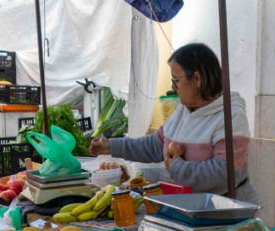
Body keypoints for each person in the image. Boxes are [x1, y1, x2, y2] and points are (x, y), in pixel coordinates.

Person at [90, 43, 257, 204]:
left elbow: (224, 174)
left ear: (197, 79)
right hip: (191, 207)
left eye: (176, 80)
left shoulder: (230, 115)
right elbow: (155, 145)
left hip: (225, 214)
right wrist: (111, 146)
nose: (173, 87)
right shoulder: (184, 110)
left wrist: (177, 168)